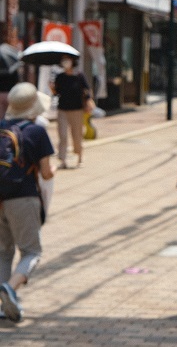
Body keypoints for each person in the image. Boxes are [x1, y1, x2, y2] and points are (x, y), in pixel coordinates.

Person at [0, 82, 56, 322]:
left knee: (3, 251)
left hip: (0, 198)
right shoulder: (36, 132)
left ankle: (3, 306)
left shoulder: (2, 128)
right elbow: (45, 174)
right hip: (23, 197)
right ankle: (11, 288)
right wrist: (55, 169)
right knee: (32, 251)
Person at [50, 55, 94, 169]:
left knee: (77, 135)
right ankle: (63, 159)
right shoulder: (60, 77)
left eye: (67, 59)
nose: (66, 62)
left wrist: (89, 101)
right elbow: (56, 93)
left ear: (72, 61)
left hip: (77, 110)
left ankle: (79, 157)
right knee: (62, 135)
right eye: (63, 59)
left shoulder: (79, 76)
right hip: (62, 109)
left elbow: (86, 90)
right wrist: (52, 88)